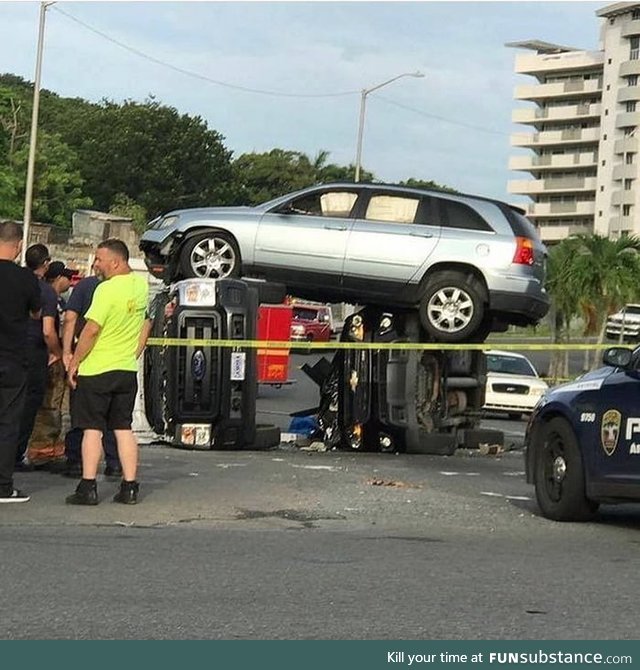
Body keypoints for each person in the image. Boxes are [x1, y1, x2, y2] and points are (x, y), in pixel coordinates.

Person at [66, 239, 151, 505]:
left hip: (97, 369)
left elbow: (91, 330)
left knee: (92, 429)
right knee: (123, 428)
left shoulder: (105, 290)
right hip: (125, 369)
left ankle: (88, 487)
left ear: (115, 262)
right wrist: (133, 353)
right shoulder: (140, 286)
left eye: (100, 259)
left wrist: (75, 361)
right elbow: (146, 323)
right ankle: (130, 486)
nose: (96, 264)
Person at [59, 268, 121, 478]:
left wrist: (68, 353)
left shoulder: (85, 286)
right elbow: (146, 323)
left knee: (82, 415)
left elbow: (70, 319)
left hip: (87, 359)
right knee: (115, 418)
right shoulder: (130, 288)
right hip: (118, 361)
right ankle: (114, 462)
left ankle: (76, 461)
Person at [0, 221, 41, 502]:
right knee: (8, 423)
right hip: (12, 357)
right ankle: (3, 485)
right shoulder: (26, 278)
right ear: (17, 246)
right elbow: (37, 314)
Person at [16, 244, 62, 470]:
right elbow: (47, 330)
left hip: (10, 349)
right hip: (34, 353)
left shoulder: (14, 282)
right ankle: (16, 454)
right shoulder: (46, 292)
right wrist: (56, 352)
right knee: (28, 405)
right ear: (46, 263)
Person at [26, 262, 75, 468]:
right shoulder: (48, 297)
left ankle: (52, 450)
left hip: (58, 356)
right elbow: (49, 331)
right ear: (56, 277)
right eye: (67, 276)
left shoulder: (59, 301)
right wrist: (56, 353)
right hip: (51, 357)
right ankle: (41, 451)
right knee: (49, 406)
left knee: (57, 407)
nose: (70, 281)